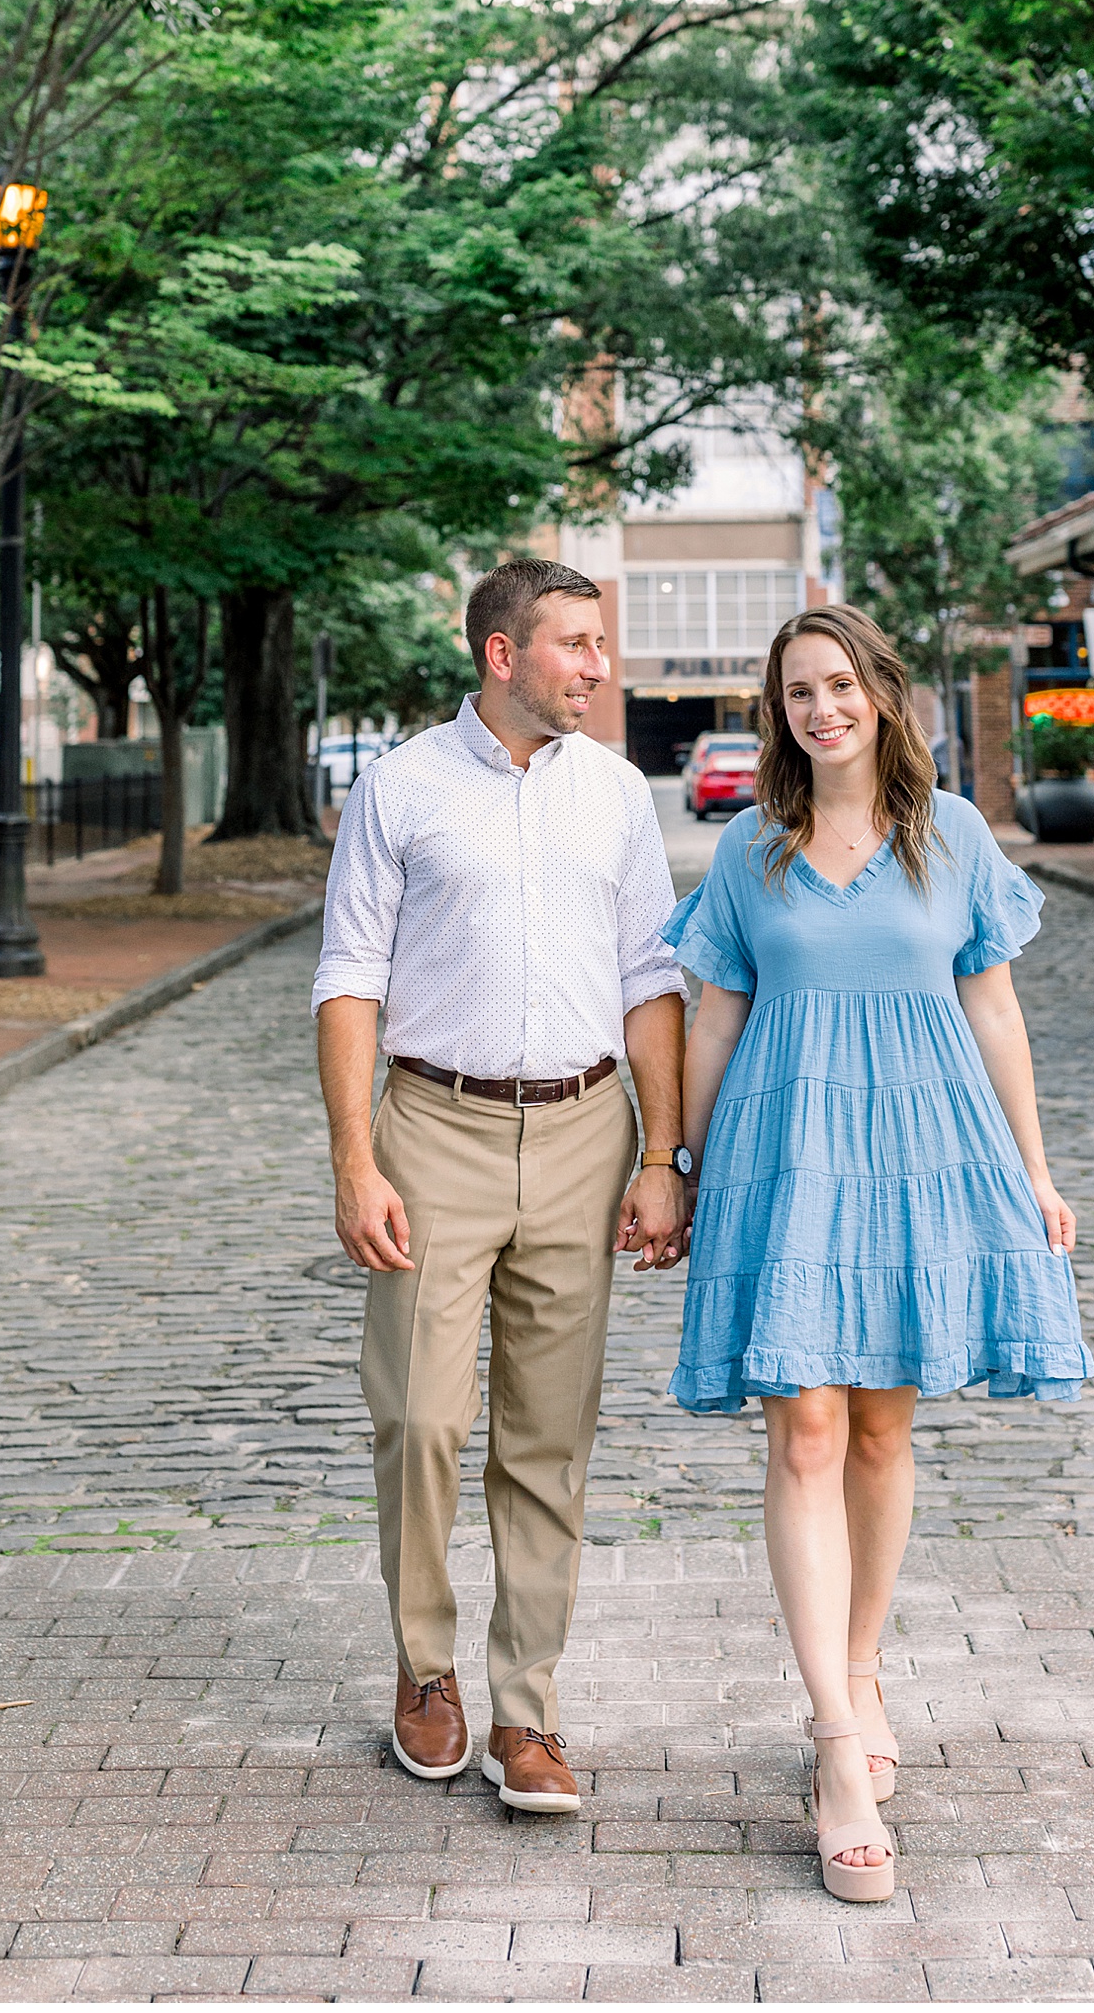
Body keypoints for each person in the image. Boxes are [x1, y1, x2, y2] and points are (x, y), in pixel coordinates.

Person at [662, 604, 1092, 1903]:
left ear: (881, 694)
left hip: (920, 1147)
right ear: (777, 709)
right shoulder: (749, 848)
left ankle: (858, 1664)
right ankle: (837, 1745)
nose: (820, 707)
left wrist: (1033, 1167)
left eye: (839, 683)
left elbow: (995, 1006)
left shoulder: (951, 834)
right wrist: (678, 1168)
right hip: (786, 1154)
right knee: (804, 1424)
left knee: (884, 1433)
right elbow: (713, 1015)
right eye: (798, 690)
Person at [314, 557, 690, 1817]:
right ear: (501, 654)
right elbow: (348, 975)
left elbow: (651, 979)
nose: (597, 664)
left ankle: (527, 1707)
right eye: (574, 644)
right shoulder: (402, 785)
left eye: (600, 642)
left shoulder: (618, 793)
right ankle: (426, 1668)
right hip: (434, 1126)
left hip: (587, 1128)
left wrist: (659, 1152)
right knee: (419, 1414)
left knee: (548, 1435)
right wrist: (355, 1156)